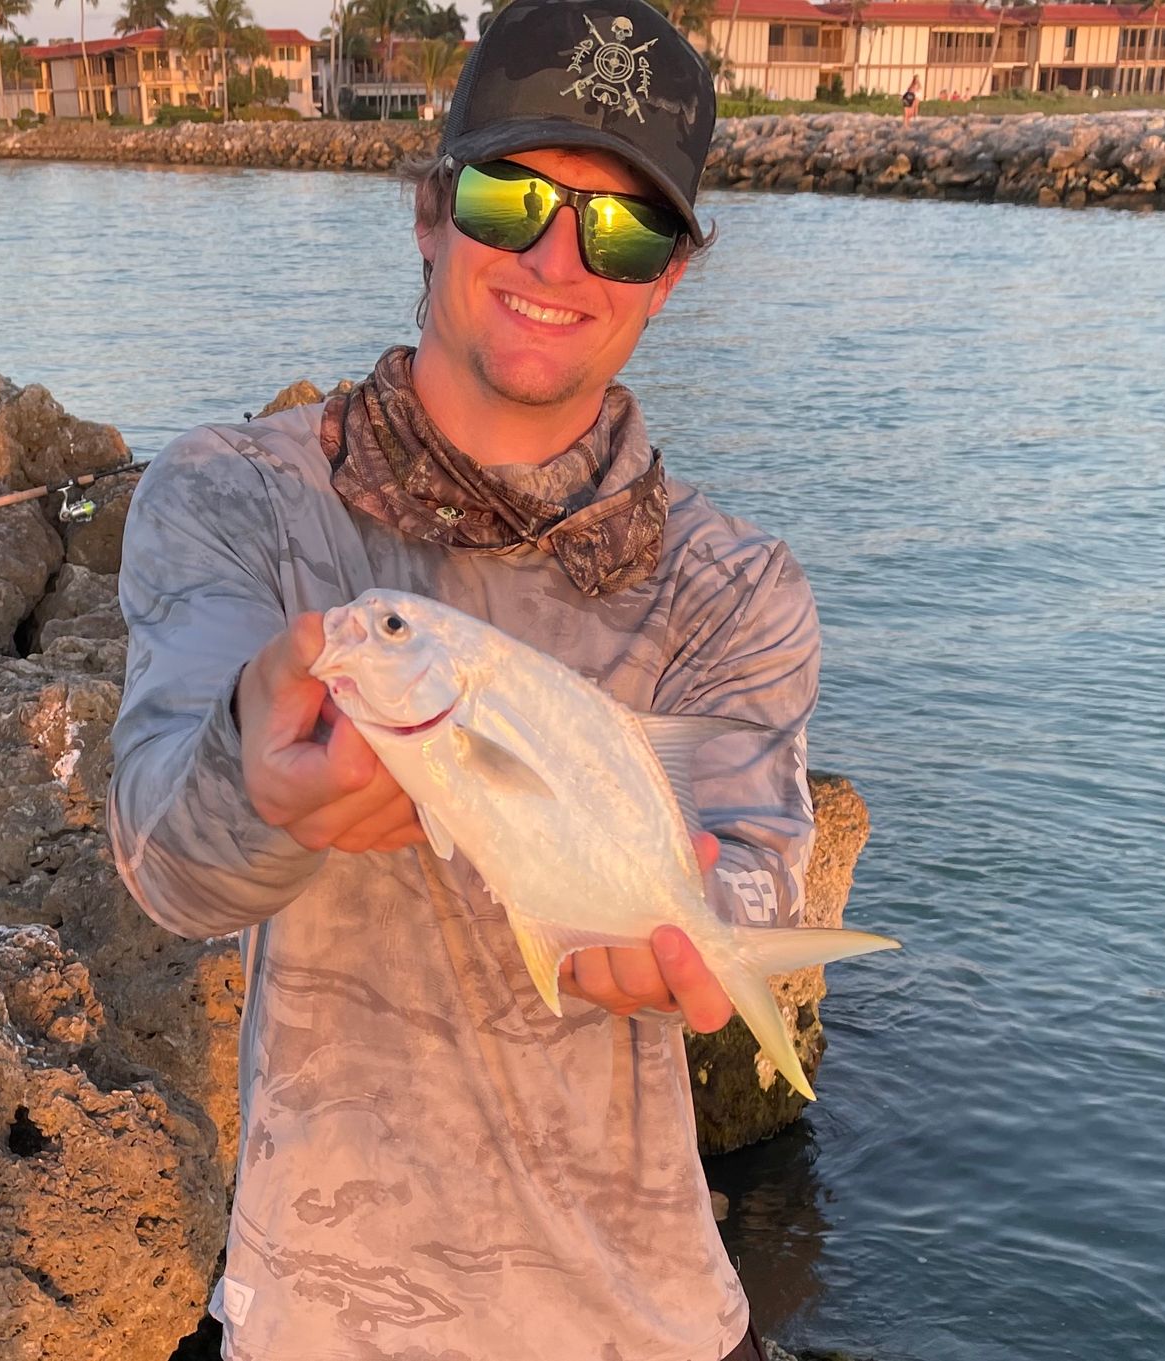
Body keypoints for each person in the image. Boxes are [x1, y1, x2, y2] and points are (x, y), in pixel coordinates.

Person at [108, 0, 823, 1356]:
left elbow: (757, 863)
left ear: (669, 278)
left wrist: (700, 929)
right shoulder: (236, 496)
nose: (561, 258)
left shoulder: (736, 586)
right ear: (431, 210)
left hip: (648, 1321)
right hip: (325, 1315)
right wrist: (254, 778)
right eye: (513, 198)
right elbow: (165, 867)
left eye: (626, 229)